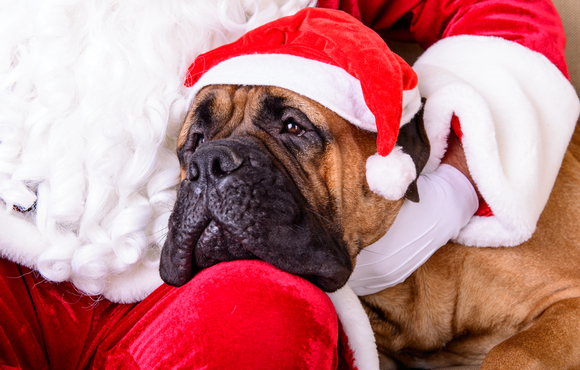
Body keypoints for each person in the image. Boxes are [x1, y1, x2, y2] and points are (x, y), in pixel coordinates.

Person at [1, 1, 578, 369]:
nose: (214, 166)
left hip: (209, 306)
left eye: (292, 128)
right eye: (198, 144)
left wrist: (455, 186)